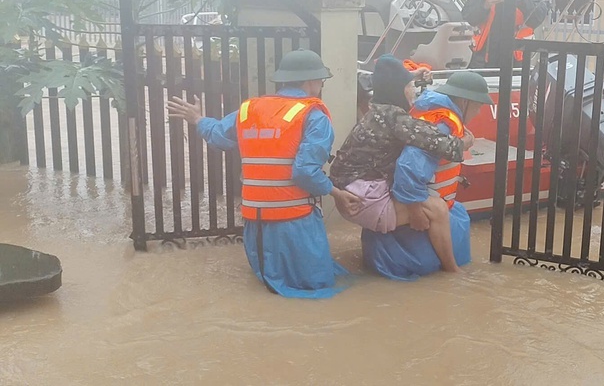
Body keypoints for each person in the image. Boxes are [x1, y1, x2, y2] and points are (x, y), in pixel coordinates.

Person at [167, 49, 361, 299]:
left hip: (255, 223)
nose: (321, 85)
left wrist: (198, 118)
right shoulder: (313, 116)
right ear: (311, 81)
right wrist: (336, 194)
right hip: (295, 222)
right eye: (321, 80)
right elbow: (304, 172)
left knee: (269, 286)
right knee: (316, 287)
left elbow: (218, 136)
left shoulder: (249, 110)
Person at [330, 54, 475, 272]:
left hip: (349, 192)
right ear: (397, 90)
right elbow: (440, 143)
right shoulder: (395, 119)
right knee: (438, 210)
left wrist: (413, 74)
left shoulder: (375, 112)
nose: (412, 91)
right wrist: (465, 142)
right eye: (409, 86)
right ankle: (452, 272)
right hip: (364, 199)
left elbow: (387, 65)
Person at [361, 71, 492, 280]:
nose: (477, 113)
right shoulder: (443, 124)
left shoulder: (430, 111)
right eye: (478, 106)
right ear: (465, 101)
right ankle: (452, 273)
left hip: (410, 197)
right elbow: (408, 166)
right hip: (419, 204)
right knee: (440, 213)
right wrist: (415, 211)